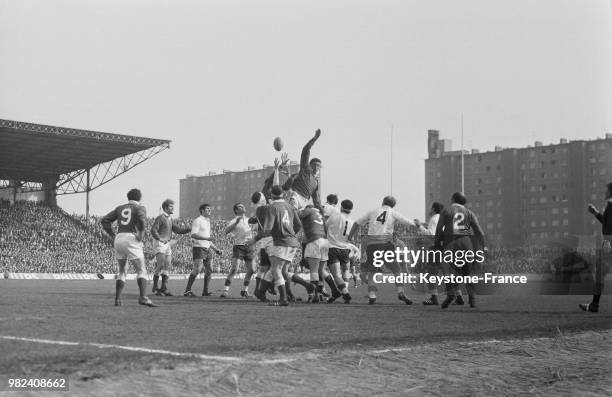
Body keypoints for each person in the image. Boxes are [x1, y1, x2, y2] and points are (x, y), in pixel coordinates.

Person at [349, 195, 416, 305]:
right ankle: (401, 292)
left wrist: (350, 236)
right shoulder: (393, 213)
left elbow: (357, 223)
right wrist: (417, 225)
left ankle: (372, 295)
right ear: (393, 205)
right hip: (386, 245)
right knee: (397, 270)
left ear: (383, 202)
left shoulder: (372, 211)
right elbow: (406, 221)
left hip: (372, 245)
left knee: (372, 272)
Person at [101, 188, 156, 307]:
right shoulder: (140, 207)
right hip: (131, 238)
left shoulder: (120, 208)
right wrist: (141, 234)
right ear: (140, 198)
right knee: (141, 270)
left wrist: (112, 234)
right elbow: (141, 221)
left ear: (128, 198)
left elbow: (104, 220)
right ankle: (143, 297)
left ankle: (118, 299)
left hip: (119, 238)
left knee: (122, 271)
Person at [434, 192, 485, 309]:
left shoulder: (446, 210)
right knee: (467, 272)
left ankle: (450, 294)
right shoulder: (470, 213)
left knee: (448, 270)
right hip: (466, 242)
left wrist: (438, 242)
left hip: (451, 242)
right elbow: (479, 231)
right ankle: (472, 298)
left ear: (453, 199)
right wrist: (483, 245)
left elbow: (438, 229)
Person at [260, 185, 302, 306]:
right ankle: (290, 294)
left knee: (276, 269)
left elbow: (268, 228)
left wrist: (257, 237)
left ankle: (283, 299)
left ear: (271, 195)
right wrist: (291, 233)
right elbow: (298, 225)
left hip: (281, 242)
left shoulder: (272, 207)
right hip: (293, 243)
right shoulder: (290, 206)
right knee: (283, 270)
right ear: (283, 194)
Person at [580, 182, 612, 313]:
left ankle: (594, 305)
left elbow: (609, 227)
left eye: (607, 190)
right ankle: (594, 305)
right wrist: (596, 213)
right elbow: (607, 222)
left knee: (599, 274)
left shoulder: (611, 205)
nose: (605, 192)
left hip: (609, 245)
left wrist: (608, 243)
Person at [150, 199, 191, 296]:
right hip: (160, 243)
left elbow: (177, 230)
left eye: (173, 206)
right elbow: (153, 230)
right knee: (160, 265)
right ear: (165, 208)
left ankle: (163, 288)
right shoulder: (160, 218)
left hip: (167, 243)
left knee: (167, 265)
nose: (173, 208)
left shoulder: (170, 219)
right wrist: (160, 238)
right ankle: (155, 288)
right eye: (171, 206)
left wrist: (188, 230)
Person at [183, 204, 222, 297]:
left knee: (209, 270)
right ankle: (187, 291)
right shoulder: (197, 220)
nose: (210, 210)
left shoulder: (207, 221)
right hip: (199, 248)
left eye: (210, 209)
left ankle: (205, 291)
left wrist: (216, 249)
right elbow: (193, 234)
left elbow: (208, 239)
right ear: (202, 210)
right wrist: (207, 238)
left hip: (207, 248)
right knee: (197, 270)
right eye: (208, 209)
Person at [221, 203, 256, 298]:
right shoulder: (233, 220)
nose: (243, 207)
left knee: (252, 270)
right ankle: (225, 290)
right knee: (234, 269)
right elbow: (226, 231)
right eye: (240, 206)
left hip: (249, 247)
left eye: (243, 206)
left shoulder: (250, 220)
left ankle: (244, 290)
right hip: (239, 247)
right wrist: (236, 223)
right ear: (236, 210)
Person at [326, 199, 357, 302]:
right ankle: (345, 291)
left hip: (332, 247)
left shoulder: (334, 216)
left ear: (341, 207)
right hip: (345, 249)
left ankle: (345, 293)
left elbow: (325, 227)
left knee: (336, 275)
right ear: (351, 210)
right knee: (346, 271)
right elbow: (350, 238)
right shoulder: (352, 221)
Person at [282, 129, 322, 210]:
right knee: (293, 215)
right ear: (310, 165)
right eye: (315, 165)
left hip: (305, 203)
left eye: (318, 166)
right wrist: (314, 138)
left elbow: (317, 202)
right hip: (295, 197)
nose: (316, 167)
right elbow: (305, 150)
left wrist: (322, 213)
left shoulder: (316, 183)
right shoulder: (305, 169)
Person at [415, 202, 444, 305]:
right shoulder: (445, 219)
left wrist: (419, 226)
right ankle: (458, 297)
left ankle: (434, 298)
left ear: (433, 209)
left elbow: (431, 234)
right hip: (446, 247)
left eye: (430, 208)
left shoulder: (434, 219)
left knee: (430, 274)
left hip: (436, 248)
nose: (429, 210)